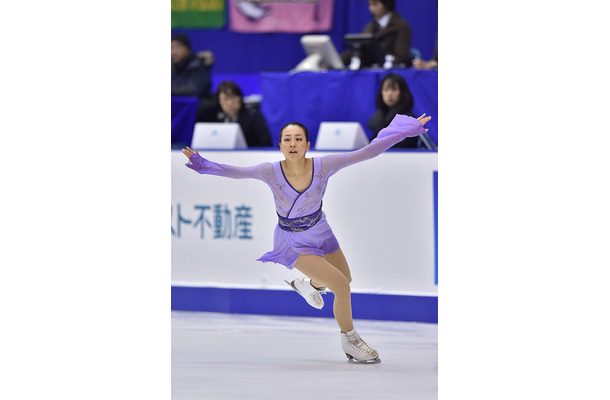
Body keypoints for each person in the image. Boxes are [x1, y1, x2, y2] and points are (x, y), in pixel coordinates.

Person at [182, 113, 432, 363]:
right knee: (341, 286)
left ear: (307, 145)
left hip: (321, 232)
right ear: (280, 146)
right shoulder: (269, 171)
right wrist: (203, 165)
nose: (293, 144)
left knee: (346, 278)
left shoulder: (325, 165)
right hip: (292, 241)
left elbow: (368, 151)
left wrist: (402, 129)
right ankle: (351, 341)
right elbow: (235, 172)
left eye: (298, 139)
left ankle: (308, 285)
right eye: (287, 139)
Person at [198, 80, 272, 148]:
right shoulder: (216, 118)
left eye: (233, 98)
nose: (230, 103)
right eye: (225, 99)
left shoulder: (254, 117)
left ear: (240, 98)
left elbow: (266, 143)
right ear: (219, 102)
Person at [340, 0, 412, 69]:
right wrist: (337, 62)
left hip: (389, 72)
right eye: (370, 4)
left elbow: (402, 56)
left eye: (375, 4)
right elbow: (359, 50)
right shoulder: (369, 27)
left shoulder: (401, 26)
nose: (371, 8)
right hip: (368, 68)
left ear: (386, 4)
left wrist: (386, 62)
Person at [171, 33, 215, 121]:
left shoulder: (197, 65)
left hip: (197, 112)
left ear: (186, 48)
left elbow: (193, 90)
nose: (173, 51)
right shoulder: (174, 67)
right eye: (171, 48)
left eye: (176, 47)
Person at [368, 73, 419, 148]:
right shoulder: (377, 119)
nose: (389, 94)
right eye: (385, 89)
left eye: (394, 89)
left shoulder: (408, 120)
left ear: (402, 92)